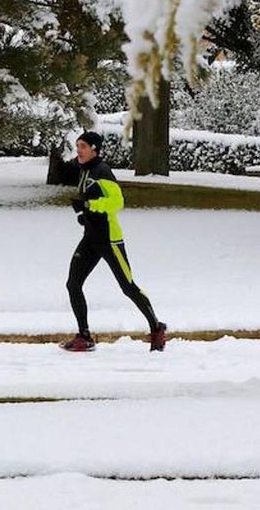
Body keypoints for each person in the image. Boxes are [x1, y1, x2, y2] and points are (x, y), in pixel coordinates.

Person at [60, 130, 167, 352]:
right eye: (77, 145)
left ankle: (157, 328)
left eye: (83, 146)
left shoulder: (102, 171)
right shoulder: (85, 171)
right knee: (73, 284)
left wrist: (90, 207)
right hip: (90, 238)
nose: (78, 149)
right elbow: (94, 201)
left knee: (128, 287)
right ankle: (84, 336)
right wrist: (86, 216)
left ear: (94, 149)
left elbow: (117, 202)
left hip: (110, 240)